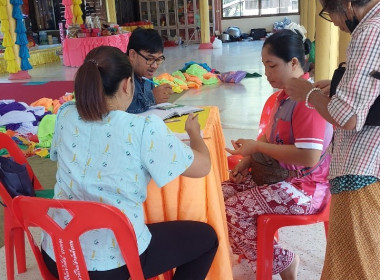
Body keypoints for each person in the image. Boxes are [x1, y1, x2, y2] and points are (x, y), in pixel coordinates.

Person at [41, 46, 219, 280]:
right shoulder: (142, 129)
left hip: (58, 254)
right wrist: (194, 134)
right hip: (111, 265)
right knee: (206, 239)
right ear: (127, 85)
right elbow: (202, 167)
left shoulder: (65, 114)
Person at [222, 29, 333, 280]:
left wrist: (257, 148)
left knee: (233, 210)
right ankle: (267, 255)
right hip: (279, 178)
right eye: (264, 66)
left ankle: (282, 261)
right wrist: (247, 160)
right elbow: (267, 136)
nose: (266, 73)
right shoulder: (283, 97)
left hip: (305, 191)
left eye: (272, 65)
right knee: (219, 197)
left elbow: (309, 157)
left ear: (293, 63)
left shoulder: (308, 102)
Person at [284, 0, 380, 279]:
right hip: (369, 166)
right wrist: (339, 84)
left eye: (330, 14)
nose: (335, 23)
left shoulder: (370, 30)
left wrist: (308, 94)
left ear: (348, 5)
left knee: (358, 266)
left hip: (362, 167)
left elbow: (348, 116)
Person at [126, 28, 173, 114]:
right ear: (132, 55)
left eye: (159, 59)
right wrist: (152, 98)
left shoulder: (145, 74)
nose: (154, 66)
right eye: (150, 59)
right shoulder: (119, 75)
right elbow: (118, 112)